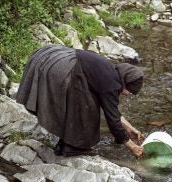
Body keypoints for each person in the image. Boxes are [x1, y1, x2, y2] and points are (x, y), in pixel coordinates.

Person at [16, 44, 144, 157]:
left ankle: (66, 143)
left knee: (83, 99)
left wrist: (129, 128)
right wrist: (132, 147)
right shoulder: (112, 84)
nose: (127, 95)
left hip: (54, 56)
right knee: (87, 108)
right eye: (129, 91)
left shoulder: (110, 70)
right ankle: (72, 147)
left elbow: (112, 111)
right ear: (125, 83)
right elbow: (113, 120)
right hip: (63, 69)